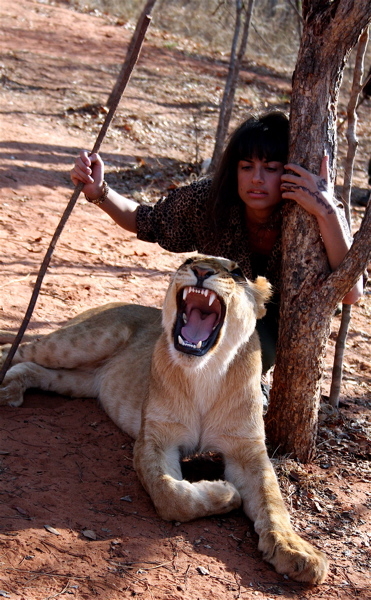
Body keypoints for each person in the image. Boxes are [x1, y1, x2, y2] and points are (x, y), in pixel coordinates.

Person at [70, 111, 363, 373]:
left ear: (287, 172)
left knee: (250, 351)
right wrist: (99, 191)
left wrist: (326, 210)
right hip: (213, 314)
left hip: (279, 332)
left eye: (271, 168)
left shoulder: (313, 213)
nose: (256, 179)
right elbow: (145, 220)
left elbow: (350, 292)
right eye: (246, 166)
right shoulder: (211, 199)